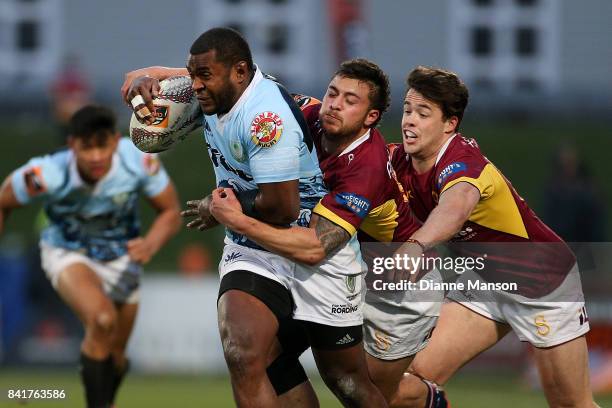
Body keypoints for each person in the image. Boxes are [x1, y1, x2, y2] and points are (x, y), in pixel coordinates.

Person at [122, 28, 387, 407]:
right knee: (243, 353)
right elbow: (150, 81)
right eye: (191, 74)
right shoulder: (217, 91)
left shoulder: (265, 119)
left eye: (204, 76)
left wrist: (221, 208)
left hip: (310, 247)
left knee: (345, 380)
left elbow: (282, 209)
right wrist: (148, 77)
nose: (195, 86)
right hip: (253, 248)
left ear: (240, 73)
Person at [207, 59, 445, 406]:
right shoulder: (308, 116)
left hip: (400, 285)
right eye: (333, 92)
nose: (335, 104)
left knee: (364, 390)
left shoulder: (367, 166)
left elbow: (315, 247)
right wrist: (162, 76)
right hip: (346, 268)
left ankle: (428, 400)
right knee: (268, 355)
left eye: (351, 100)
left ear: (371, 118)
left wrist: (235, 218)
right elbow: (248, 84)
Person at [387, 66, 599, 407]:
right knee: (408, 379)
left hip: (541, 282)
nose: (409, 120)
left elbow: (453, 211)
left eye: (423, 113)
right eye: (408, 110)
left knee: (571, 403)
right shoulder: (400, 160)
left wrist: (415, 245)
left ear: (449, 124)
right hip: (484, 281)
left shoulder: (464, 163)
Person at [0, 105, 181, 408]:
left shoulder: (139, 161)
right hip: (68, 253)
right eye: (87, 147)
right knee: (101, 319)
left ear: (114, 141)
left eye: (102, 146)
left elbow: (170, 211)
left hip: (122, 260)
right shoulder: (47, 172)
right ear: (72, 145)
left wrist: (150, 244)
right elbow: (3, 200)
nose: (96, 156)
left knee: (117, 358)